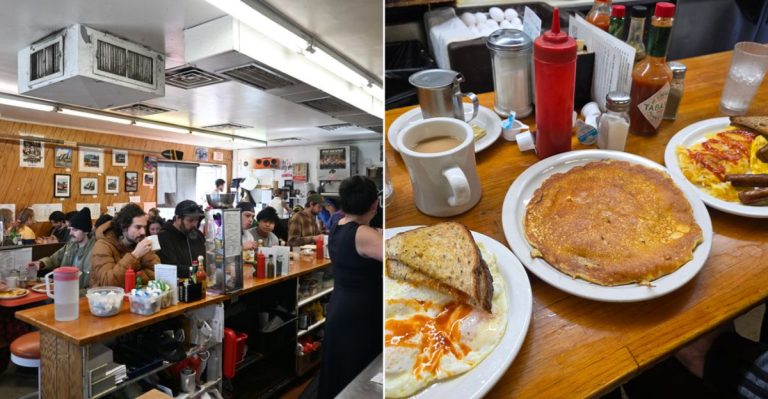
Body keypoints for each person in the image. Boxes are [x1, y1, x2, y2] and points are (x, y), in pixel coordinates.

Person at [318, 176, 382, 399]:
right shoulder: (364, 234)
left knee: (340, 371)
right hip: (360, 313)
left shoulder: (338, 224)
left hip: (341, 306)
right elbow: (399, 257)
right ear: (375, 204)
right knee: (358, 375)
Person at [90, 203, 159, 287]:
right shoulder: (102, 245)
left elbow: (156, 273)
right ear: (124, 227)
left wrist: (130, 278)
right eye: (138, 227)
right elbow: (108, 283)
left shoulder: (139, 241)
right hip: (105, 298)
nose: (143, 232)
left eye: (144, 227)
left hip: (135, 297)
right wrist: (135, 255)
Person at [29, 207, 95, 291]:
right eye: (70, 229)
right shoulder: (70, 245)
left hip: (82, 297)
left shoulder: (96, 250)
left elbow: (95, 286)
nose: (70, 233)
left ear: (86, 231)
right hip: (65, 290)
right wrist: (41, 263)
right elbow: (53, 259)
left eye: (75, 230)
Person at [157, 201, 205, 272]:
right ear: (177, 218)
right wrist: (196, 270)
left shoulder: (198, 235)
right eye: (190, 220)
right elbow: (171, 267)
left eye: (196, 220)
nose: (194, 224)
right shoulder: (164, 237)